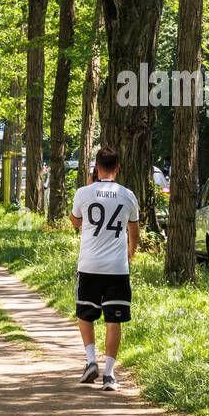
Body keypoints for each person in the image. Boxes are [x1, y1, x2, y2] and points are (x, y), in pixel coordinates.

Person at [70, 146, 139, 392]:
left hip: (89, 265)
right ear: (117, 168)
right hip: (117, 269)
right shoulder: (128, 195)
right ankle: (109, 375)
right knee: (113, 320)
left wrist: (91, 185)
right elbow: (134, 232)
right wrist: (129, 254)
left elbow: (76, 221)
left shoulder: (83, 193)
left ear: (96, 168)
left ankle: (90, 360)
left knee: (85, 315)